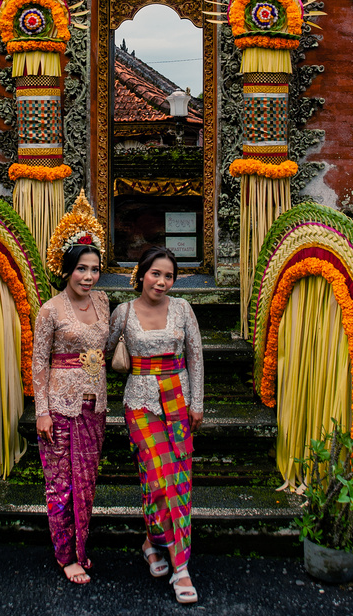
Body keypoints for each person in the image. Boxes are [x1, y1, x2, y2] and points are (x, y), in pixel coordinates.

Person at [108, 246, 204, 604]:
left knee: (179, 480)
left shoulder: (183, 309)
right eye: (155, 274)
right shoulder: (123, 312)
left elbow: (195, 356)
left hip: (178, 400)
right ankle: (166, 551)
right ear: (141, 274)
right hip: (141, 404)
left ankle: (172, 558)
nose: (161, 282)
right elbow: (102, 352)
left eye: (168, 276)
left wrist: (198, 403)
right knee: (158, 477)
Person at [33, 192, 108, 585]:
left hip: (96, 405)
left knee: (86, 482)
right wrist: (41, 410)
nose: (88, 276)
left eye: (94, 269)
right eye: (81, 268)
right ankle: (66, 556)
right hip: (61, 405)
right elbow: (38, 362)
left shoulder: (104, 302)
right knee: (61, 483)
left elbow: (108, 345)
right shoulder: (51, 309)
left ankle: (81, 547)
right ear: (67, 270)